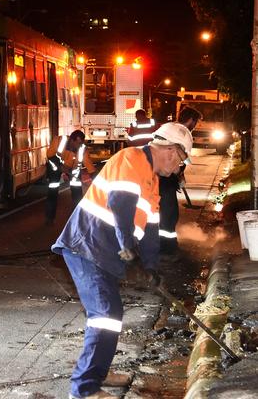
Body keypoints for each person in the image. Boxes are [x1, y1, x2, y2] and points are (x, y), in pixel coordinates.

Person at [51, 122, 193, 399]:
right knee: (105, 316)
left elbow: (151, 230)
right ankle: (84, 388)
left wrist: (152, 268)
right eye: (181, 161)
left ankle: (98, 373)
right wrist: (129, 249)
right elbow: (120, 205)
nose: (178, 169)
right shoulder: (131, 159)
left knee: (110, 314)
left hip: (103, 253)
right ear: (172, 152)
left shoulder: (152, 181)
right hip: (87, 246)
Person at [159, 106, 202, 254]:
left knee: (156, 211)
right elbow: (178, 158)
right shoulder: (184, 133)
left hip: (150, 172)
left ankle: (156, 245)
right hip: (164, 176)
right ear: (190, 120)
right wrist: (179, 175)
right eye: (195, 122)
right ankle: (167, 248)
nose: (195, 126)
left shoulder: (168, 126)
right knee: (169, 214)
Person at [45, 130, 92, 223]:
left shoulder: (82, 149)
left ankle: (77, 218)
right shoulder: (59, 141)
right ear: (71, 140)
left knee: (77, 193)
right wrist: (60, 167)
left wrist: (95, 178)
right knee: (52, 191)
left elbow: (90, 167)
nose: (79, 146)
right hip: (55, 168)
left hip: (73, 170)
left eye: (81, 143)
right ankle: (49, 218)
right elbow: (50, 155)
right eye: (78, 143)